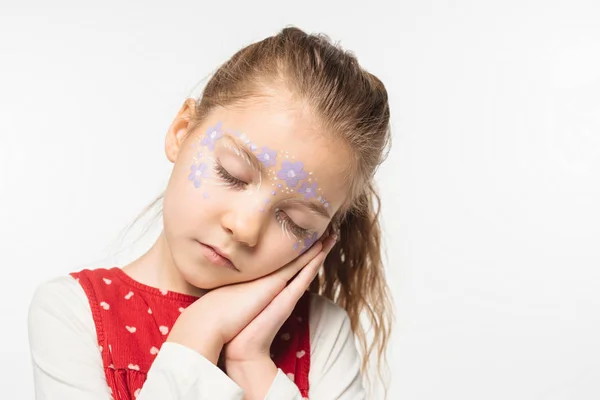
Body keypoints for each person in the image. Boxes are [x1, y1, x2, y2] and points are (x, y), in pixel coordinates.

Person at [27, 26, 394, 399]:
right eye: (231, 175)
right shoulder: (72, 312)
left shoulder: (322, 332)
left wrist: (252, 365)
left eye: (295, 223)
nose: (245, 228)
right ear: (182, 129)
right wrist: (200, 331)